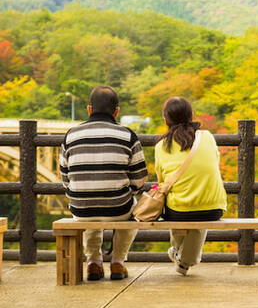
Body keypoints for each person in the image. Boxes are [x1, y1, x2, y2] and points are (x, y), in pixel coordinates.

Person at [60, 86, 148, 281]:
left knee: (89, 203)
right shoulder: (128, 135)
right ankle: (118, 262)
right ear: (116, 111)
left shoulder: (71, 135)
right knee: (135, 211)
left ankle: (93, 263)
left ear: (89, 109)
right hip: (118, 207)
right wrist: (128, 191)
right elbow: (140, 179)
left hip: (81, 208)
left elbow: (65, 179)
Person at [154, 96, 227, 275]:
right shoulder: (207, 137)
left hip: (178, 211)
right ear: (192, 115)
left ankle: (180, 254)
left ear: (165, 120)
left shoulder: (161, 145)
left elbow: (162, 181)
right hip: (213, 207)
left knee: (178, 202)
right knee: (199, 205)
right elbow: (214, 163)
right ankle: (184, 261)